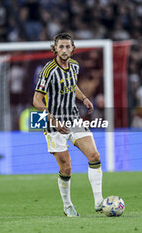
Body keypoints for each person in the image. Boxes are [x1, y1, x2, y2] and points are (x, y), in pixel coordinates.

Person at [33, 33, 103, 217]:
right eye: (61, 47)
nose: (64, 50)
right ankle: (67, 206)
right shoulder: (48, 71)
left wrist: (84, 98)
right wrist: (53, 120)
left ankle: (99, 202)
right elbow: (36, 100)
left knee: (94, 155)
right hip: (53, 123)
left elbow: (73, 86)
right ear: (54, 49)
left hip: (73, 118)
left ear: (73, 49)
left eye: (67, 47)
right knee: (66, 168)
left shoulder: (74, 66)